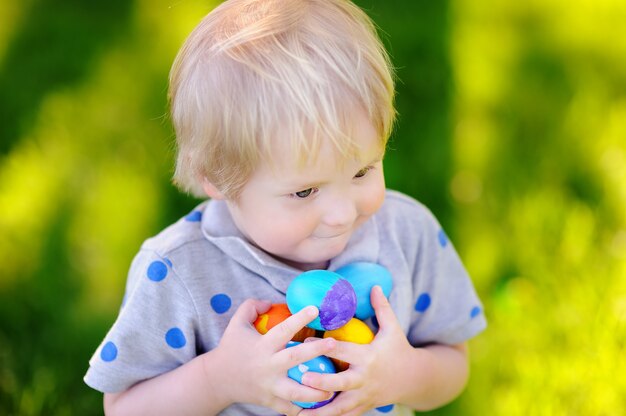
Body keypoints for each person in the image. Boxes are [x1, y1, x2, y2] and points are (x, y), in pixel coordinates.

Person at [84, 0, 487, 414]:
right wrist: (219, 379)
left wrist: (406, 375)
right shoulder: (178, 271)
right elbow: (123, 407)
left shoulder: (407, 233)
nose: (343, 214)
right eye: (305, 192)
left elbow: (453, 362)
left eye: (362, 171)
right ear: (218, 178)